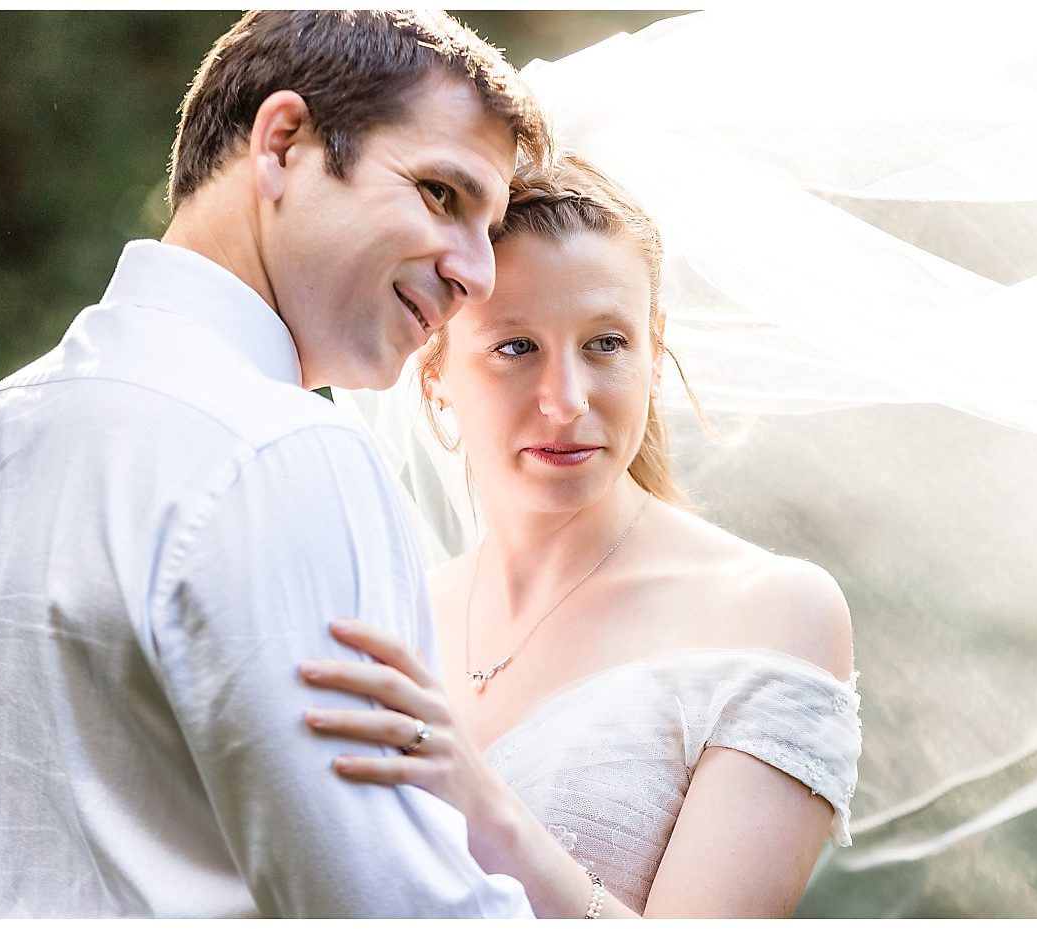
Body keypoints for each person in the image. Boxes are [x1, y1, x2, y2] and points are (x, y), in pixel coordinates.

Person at [0, 10, 548, 917]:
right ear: (282, 143)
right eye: (443, 194)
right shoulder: (284, 450)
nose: (476, 273)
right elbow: (395, 906)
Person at [302, 153, 861, 918]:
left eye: (606, 343)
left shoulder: (766, 613)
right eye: (515, 347)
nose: (565, 401)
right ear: (434, 375)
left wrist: (480, 805)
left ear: (654, 352)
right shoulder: (388, 618)